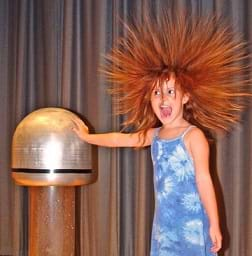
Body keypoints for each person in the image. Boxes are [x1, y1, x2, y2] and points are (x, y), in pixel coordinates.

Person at [74, 10, 251, 256]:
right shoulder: (154, 135)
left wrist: (214, 222)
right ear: (149, 99)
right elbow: (121, 139)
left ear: (186, 97)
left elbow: (204, 180)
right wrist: (87, 137)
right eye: (157, 93)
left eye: (170, 92)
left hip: (192, 226)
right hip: (164, 229)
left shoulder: (193, 136)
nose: (163, 98)